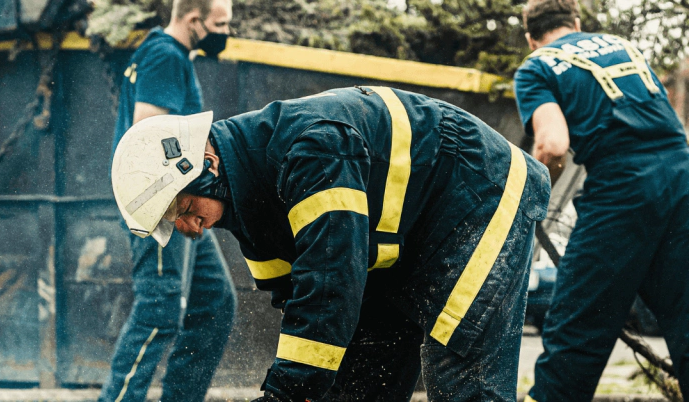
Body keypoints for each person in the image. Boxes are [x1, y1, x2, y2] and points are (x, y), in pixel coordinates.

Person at [110, 86, 551, 401]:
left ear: (205, 164)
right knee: (357, 384)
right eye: (174, 221)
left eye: (184, 208)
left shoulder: (312, 150)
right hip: (399, 245)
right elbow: (301, 303)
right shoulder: (245, 206)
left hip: (477, 191)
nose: (189, 228)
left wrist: (284, 394)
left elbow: (329, 286)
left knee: (461, 378)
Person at [513, 0, 689, 400]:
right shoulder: (623, 47)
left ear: (530, 37)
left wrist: (533, 194)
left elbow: (553, 144)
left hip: (622, 190)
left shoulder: (537, 66)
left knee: (577, 330)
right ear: (577, 22)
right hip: (682, 179)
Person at [99, 1, 236, 401]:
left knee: (214, 302)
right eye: (220, 24)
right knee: (159, 309)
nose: (226, 32)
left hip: (181, 202)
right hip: (163, 205)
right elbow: (147, 133)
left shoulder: (169, 54)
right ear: (194, 21)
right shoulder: (164, 55)